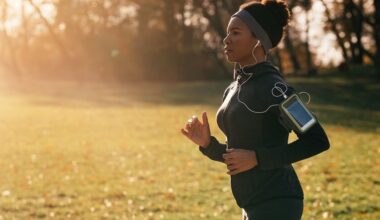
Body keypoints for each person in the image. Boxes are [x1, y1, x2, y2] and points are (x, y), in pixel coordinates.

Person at [180, 1, 330, 220]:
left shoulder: (277, 90)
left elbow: (317, 140)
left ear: (258, 40)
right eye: (227, 32)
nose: (226, 39)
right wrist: (208, 145)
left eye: (236, 32)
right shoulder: (234, 88)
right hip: (251, 204)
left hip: (278, 202)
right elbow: (240, 157)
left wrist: (258, 158)